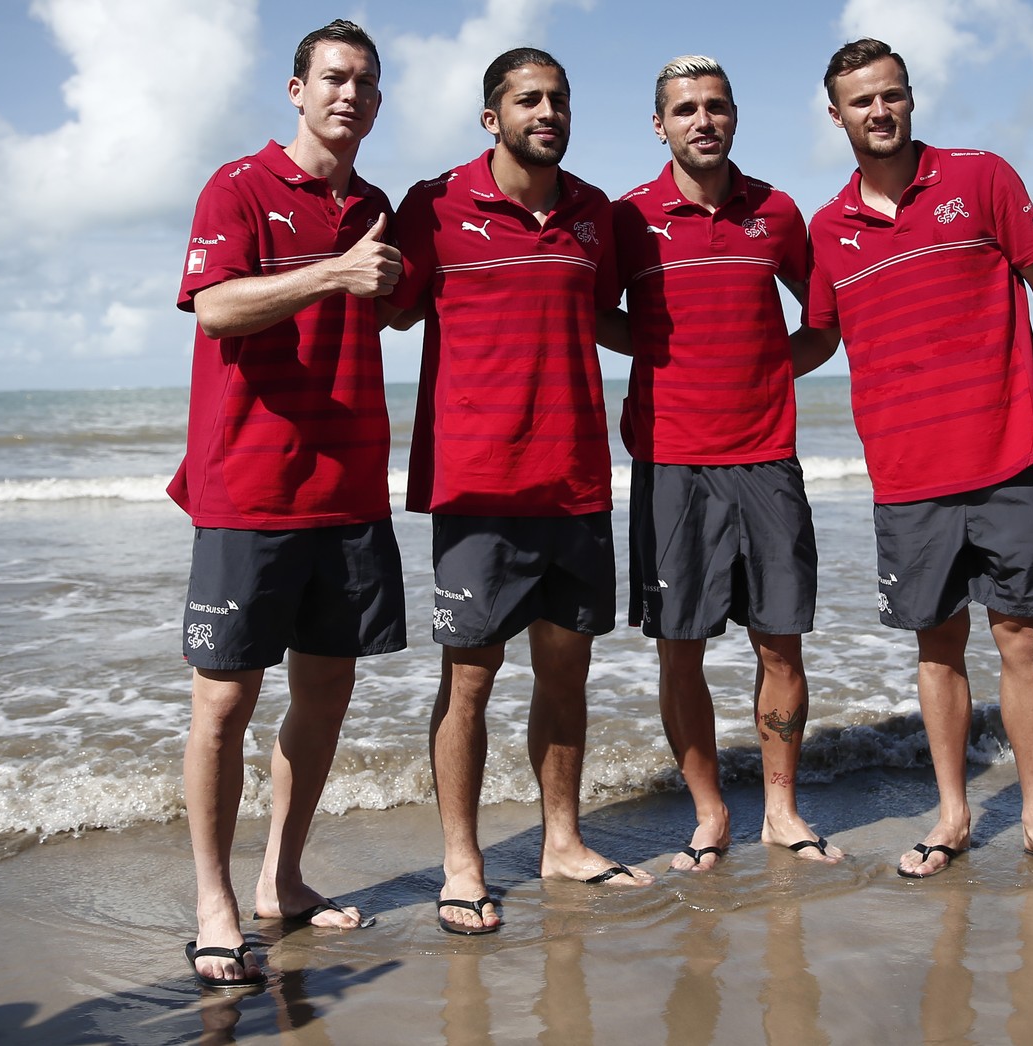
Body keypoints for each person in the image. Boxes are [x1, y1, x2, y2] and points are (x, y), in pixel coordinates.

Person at [797, 38, 1033, 884]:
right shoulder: (829, 229)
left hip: (1011, 456)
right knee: (935, 648)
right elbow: (819, 336)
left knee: (1022, 640)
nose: (880, 111)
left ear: (910, 97)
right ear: (836, 114)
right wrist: (726, 366)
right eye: (861, 100)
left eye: (892, 94)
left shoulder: (981, 178)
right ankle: (952, 815)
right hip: (907, 474)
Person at [386, 46, 656, 935]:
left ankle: (563, 842)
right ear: (490, 116)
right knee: (469, 679)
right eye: (528, 99)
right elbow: (385, 306)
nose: (547, 111)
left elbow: (612, 318)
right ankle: (462, 862)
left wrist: (707, 353)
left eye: (560, 99)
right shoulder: (435, 205)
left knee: (566, 673)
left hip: (577, 480)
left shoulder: (595, 216)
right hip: (478, 485)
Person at [170, 20, 408, 989]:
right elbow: (214, 304)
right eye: (333, 79)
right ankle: (213, 899)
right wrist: (336, 273)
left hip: (349, 489)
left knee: (327, 694)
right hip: (250, 488)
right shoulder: (239, 186)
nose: (348, 95)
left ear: (378, 103)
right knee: (224, 701)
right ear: (297, 89)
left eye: (365, 83)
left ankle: (282, 877)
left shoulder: (380, 204)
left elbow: (397, 300)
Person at [609, 56, 840, 872]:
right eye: (684, 109)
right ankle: (709, 813)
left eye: (714, 107)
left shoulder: (777, 213)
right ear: (660, 124)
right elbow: (599, 314)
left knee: (781, 645)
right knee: (682, 646)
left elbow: (822, 325)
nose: (701, 121)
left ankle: (780, 808)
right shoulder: (629, 219)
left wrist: (762, 370)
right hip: (672, 465)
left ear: (734, 115)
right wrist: (672, 359)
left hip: (767, 461)